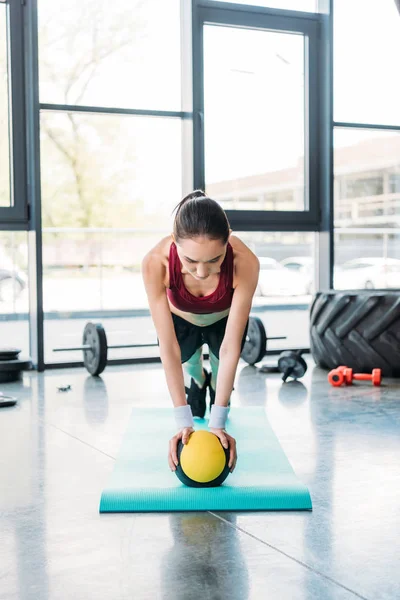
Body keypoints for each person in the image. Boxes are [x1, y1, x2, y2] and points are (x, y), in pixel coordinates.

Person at [142, 190, 259, 475]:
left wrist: (218, 421)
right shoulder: (155, 263)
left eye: (214, 260)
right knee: (191, 366)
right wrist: (182, 422)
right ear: (174, 240)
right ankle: (198, 380)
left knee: (223, 376)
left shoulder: (246, 262)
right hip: (181, 319)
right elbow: (168, 346)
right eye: (190, 261)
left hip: (223, 319)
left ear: (228, 238)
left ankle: (216, 389)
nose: (202, 272)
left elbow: (232, 347)